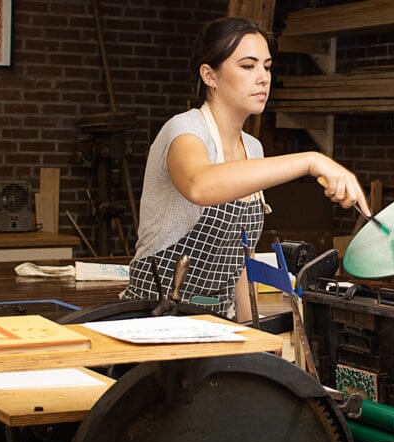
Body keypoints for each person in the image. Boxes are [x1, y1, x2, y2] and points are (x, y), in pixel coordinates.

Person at [122, 16, 372, 320]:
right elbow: (200, 186)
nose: (263, 77)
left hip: (217, 320)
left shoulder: (253, 149)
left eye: (266, 66)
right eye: (247, 66)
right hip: (155, 316)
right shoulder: (184, 132)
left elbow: (240, 258)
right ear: (209, 75)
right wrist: (311, 160)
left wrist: (251, 330)